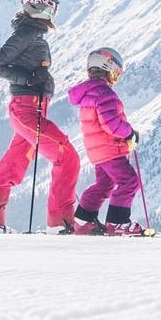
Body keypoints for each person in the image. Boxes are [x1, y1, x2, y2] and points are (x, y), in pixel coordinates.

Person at [0, 0, 82, 234]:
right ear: (30, 5)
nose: (47, 12)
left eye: (51, 8)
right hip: (26, 109)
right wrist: (29, 78)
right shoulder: (25, 33)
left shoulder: (34, 34)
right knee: (67, 156)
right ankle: (61, 223)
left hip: (32, 109)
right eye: (43, 6)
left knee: (12, 166)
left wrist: (35, 79)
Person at [67, 48, 145, 236]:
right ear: (107, 68)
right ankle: (117, 223)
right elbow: (111, 124)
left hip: (98, 151)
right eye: (116, 73)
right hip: (111, 150)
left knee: (104, 185)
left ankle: (83, 221)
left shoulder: (89, 93)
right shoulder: (104, 94)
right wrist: (130, 133)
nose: (115, 78)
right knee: (129, 181)